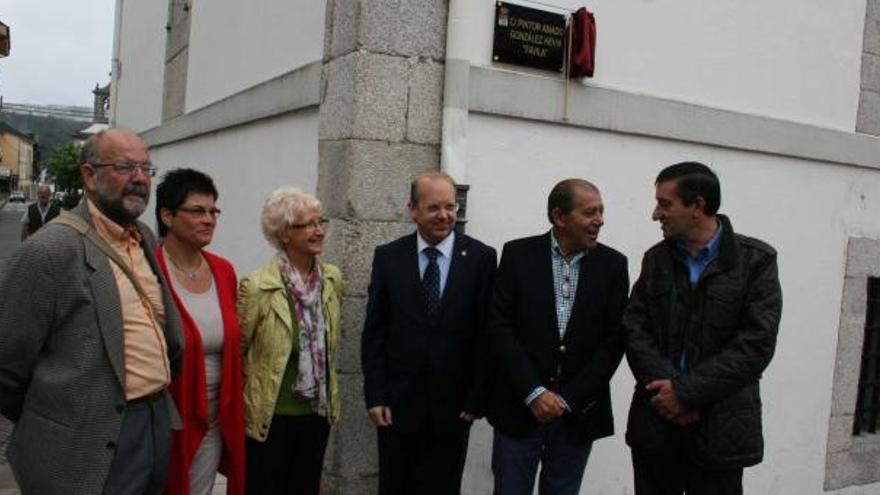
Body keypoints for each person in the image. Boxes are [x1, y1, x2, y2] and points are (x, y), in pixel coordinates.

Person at [0, 128, 184, 495]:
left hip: (152, 421)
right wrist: (59, 420)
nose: (139, 179)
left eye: (146, 169)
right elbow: (7, 365)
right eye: (124, 167)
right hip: (85, 439)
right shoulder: (51, 250)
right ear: (89, 175)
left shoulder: (144, 237)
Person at [624, 162, 782, 495]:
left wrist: (685, 392)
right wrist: (667, 395)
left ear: (697, 206)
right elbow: (635, 328)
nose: (656, 214)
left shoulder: (756, 261)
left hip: (721, 430)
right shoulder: (656, 260)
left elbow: (755, 344)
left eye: (665, 204)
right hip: (657, 426)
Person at [488, 178, 629, 495]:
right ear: (559, 216)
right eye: (590, 212)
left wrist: (568, 399)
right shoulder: (517, 255)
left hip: (577, 415)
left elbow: (614, 341)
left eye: (601, 212)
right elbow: (499, 328)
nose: (599, 221)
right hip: (519, 409)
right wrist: (533, 392)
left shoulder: (613, 265)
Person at [361, 171, 497, 495]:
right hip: (397, 407)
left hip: (454, 408)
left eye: (451, 206)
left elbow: (487, 334)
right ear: (412, 209)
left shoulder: (481, 258)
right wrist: (376, 394)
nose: (445, 215)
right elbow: (375, 332)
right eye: (434, 207)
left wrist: (477, 397)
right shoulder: (388, 257)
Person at [238, 187, 342, 495]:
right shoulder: (258, 286)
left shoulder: (332, 280)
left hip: (316, 412)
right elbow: (240, 352)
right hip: (271, 416)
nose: (319, 230)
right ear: (284, 233)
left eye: (321, 222)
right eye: (308, 224)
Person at [155, 169, 245, 495]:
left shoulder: (223, 271)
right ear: (167, 216)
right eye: (197, 211)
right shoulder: (149, 269)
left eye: (213, 211)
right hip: (164, 420)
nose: (209, 219)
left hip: (214, 419)